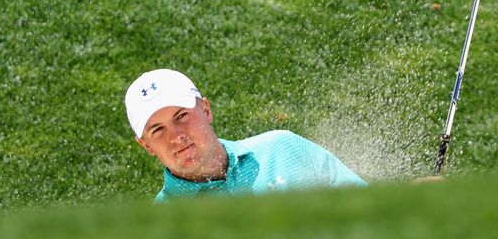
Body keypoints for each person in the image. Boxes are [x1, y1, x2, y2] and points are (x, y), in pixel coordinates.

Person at [125, 68, 367, 201]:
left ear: (206, 110)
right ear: (146, 146)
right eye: (157, 130)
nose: (176, 136)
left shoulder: (283, 149)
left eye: (182, 116)